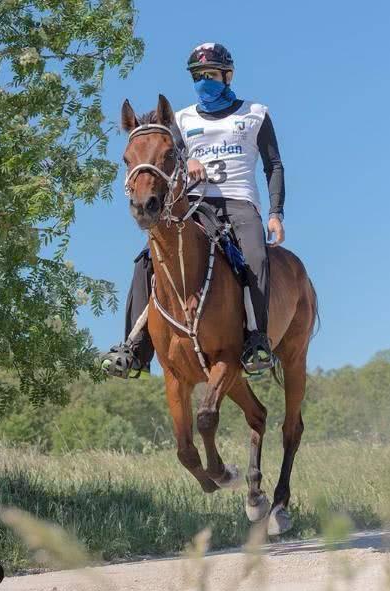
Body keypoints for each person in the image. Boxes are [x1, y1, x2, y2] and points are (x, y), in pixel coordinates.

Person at [103, 42, 286, 378]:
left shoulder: (255, 113)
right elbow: (170, 157)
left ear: (227, 76)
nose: (204, 80)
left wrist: (275, 212)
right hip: (197, 204)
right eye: (198, 76)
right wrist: (192, 159)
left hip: (240, 202)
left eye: (211, 74)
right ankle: (134, 347)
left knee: (257, 257)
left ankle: (257, 340)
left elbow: (273, 164)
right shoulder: (182, 119)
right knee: (146, 260)